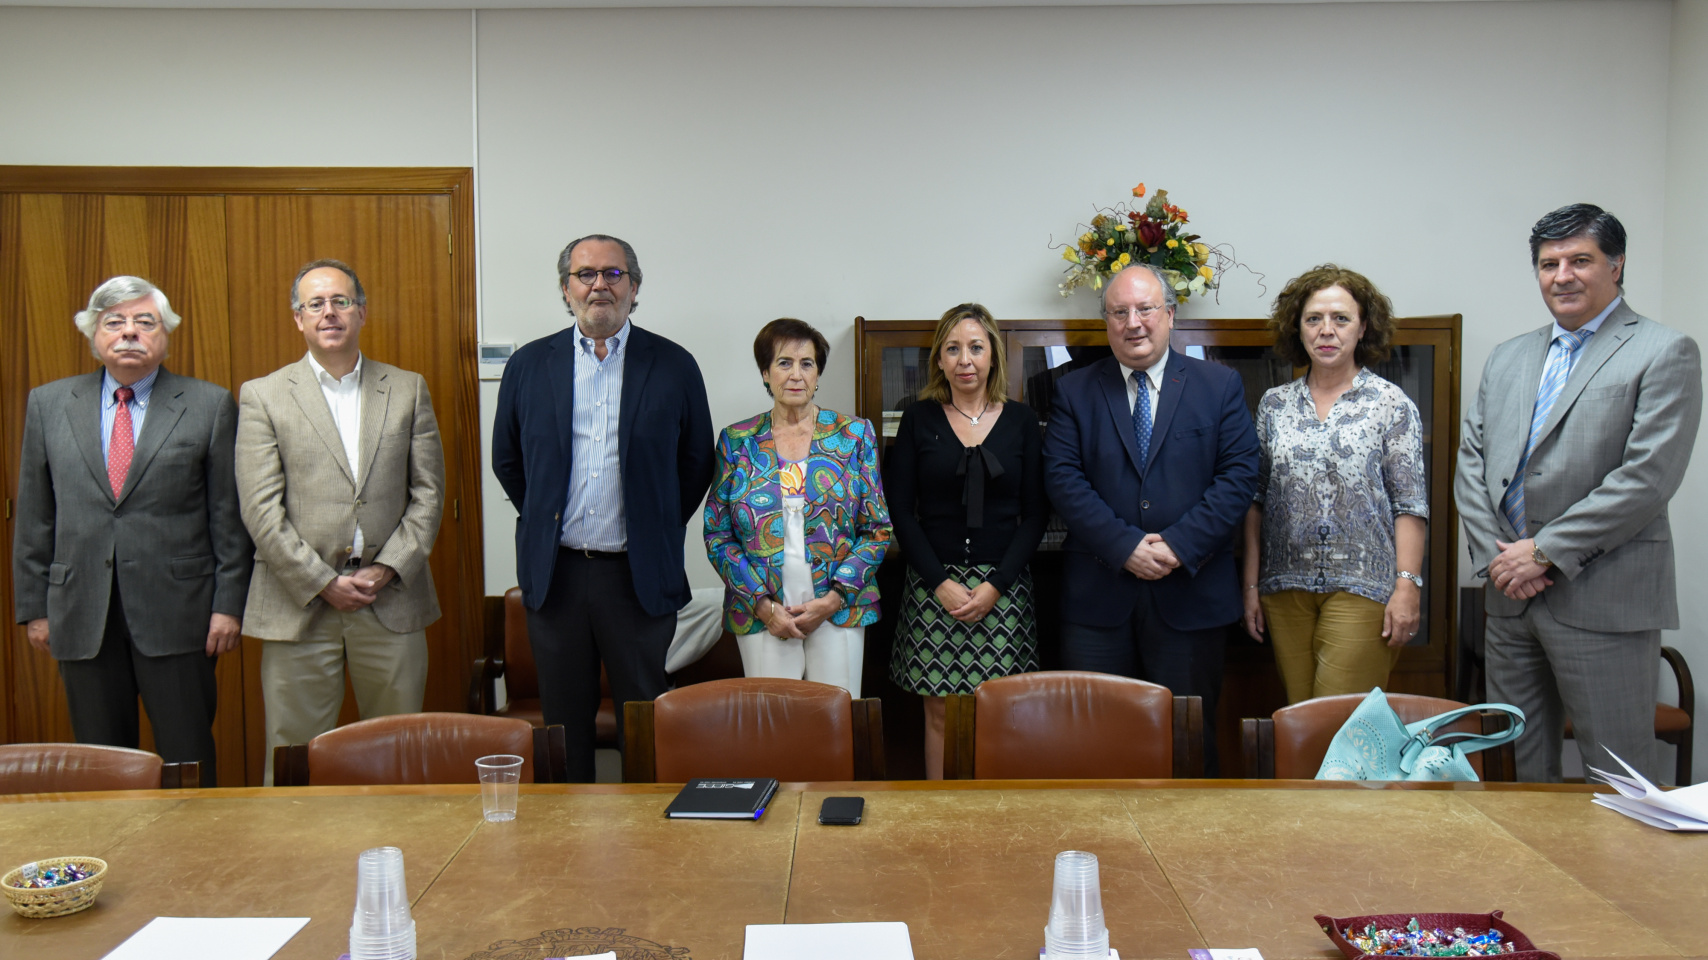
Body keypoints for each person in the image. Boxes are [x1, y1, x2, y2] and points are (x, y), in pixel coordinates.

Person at [1457, 203, 1702, 783]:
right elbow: (1473, 463)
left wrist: (1542, 553)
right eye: (1548, 264)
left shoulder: (1664, 351)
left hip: (1604, 598)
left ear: (1616, 266)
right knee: (1516, 769)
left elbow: (1647, 478)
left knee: (1617, 773)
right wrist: (1503, 561)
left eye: (1579, 260)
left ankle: (1618, 879)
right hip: (1509, 598)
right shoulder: (1509, 356)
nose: (1562, 275)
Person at [493, 234, 714, 782]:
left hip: (637, 578)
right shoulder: (528, 365)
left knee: (644, 714)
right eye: (585, 274)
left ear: (634, 287)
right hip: (557, 573)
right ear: (566, 288)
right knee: (564, 724)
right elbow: (508, 459)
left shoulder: (673, 363)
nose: (599, 284)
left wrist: (653, 525)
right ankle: (567, 848)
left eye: (613, 274)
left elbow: (696, 464)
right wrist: (548, 519)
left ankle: (649, 847)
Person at [13, 276, 251, 784]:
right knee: (102, 766)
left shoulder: (208, 405)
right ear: (92, 335)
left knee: (188, 758)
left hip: (181, 614)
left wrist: (228, 606)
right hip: (80, 611)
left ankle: (194, 860)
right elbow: (36, 514)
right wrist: (34, 608)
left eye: (145, 323)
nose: (129, 334)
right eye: (114, 323)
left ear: (165, 334)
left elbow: (227, 516)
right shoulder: (49, 404)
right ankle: (113, 861)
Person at [1042, 264, 1259, 775]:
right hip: (1098, 600)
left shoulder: (1219, 385)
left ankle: (1187, 853)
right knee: (1095, 740)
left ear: (1170, 315)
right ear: (1107, 322)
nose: (1133, 322)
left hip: (1192, 594)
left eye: (1145, 309)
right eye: (1120, 312)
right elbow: (1063, 480)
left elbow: (1238, 477)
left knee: (1187, 741)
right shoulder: (1074, 391)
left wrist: (1178, 545)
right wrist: (1125, 547)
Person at [235, 259, 446, 783]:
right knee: (293, 759)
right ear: (298, 319)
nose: (329, 313)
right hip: (299, 603)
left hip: (389, 599)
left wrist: (388, 569)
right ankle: (297, 864)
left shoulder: (407, 389)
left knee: (399, 753)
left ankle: (402, 854)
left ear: (362, 312)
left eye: (341, 301)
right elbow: (260, 509)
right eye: (316, 304)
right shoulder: (263, 395)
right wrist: (322, 582)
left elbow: (429, 495)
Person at [1239, 265, 1427, 703]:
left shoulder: (1391, 405)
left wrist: (1407, 588)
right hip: (1283, 589)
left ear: (1363, 327)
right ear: (1298, 328)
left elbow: (1410, 504)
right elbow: (1255, 501)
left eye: (1341, 318)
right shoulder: (1273, 404)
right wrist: (1249, 588)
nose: (1327, 330)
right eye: (1313, 319)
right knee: (1300, 720)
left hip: (1363, 590)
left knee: (1338, 724)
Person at [886, 303, 1047, 779]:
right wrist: (940, 583)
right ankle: (940, 817)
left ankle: (996, 820)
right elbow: (901, 511)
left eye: (976, 347)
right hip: (934, 588)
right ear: (939, 360)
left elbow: (1036, 514)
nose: (965, 360)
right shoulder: (917, 419)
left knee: (1002, 712)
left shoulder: (1020, 421)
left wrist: (995, 585)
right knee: (937, 712)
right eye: (953, 349)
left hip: (1004, 590)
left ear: (993, 355)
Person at [704, 319, 892, 696]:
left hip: (836, 607)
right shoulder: (737, 441)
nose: (796, 374)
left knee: (837, 720)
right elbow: (718, 533)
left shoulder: (854, 436)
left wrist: (833, 599)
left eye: (807, 363)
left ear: (818, 373)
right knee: (773, 727)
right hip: (765, 611)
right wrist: (762, 606)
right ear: (765, 372)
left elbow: (877, 529)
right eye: (784, 362)